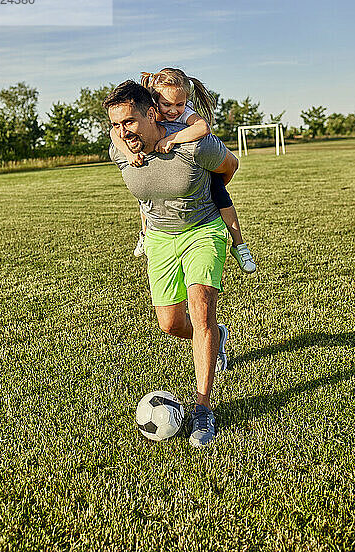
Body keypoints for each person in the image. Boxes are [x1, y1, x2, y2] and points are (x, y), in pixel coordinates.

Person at [103, 80, 239, 448]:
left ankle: (203, 409)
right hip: (161, 238)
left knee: (201, 309)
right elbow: (120, 146)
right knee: (171, 324)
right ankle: (216, 336)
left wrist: (207, 195)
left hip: (202, 230)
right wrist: (123, 140)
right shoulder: (120, 150)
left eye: (129, 121)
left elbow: (230, 164)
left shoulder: (194, 144)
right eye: (115, 125)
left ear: (151, 113)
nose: (122, 132)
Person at [110, 67, 256, 274]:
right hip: (161, 174)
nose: (173, 110)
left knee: (222, 198)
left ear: (186, 100)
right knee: (147, 201)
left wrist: (171, 139)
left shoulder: (186, 113)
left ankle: (239, 245)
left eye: (179, 104)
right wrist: (128, 153)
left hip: (200, 167)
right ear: (155, 103)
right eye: (166, 104)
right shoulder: (152, 114)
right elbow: (114, 133)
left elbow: (202, 128)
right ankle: (144, 235)